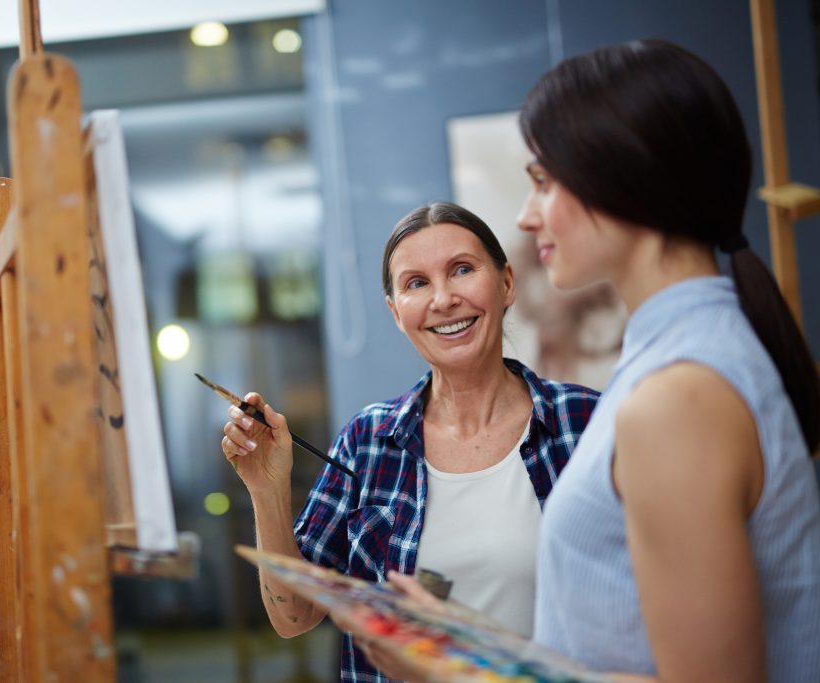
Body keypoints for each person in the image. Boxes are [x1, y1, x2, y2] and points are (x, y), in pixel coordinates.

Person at [355, 39, 820, 683]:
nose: (526, 215)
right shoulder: (678, 359)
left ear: (626, 177)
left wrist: (460, 672)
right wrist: (469, 641)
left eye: (544, 182)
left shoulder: (677, 395)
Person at [219, 201, 599, 683]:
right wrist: (267, 490)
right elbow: (293, 617)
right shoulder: (368, 440)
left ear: (506, 283)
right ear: (396, 311)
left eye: (461, 270)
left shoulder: (585, 423)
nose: (442, 300)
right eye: (416, 283)